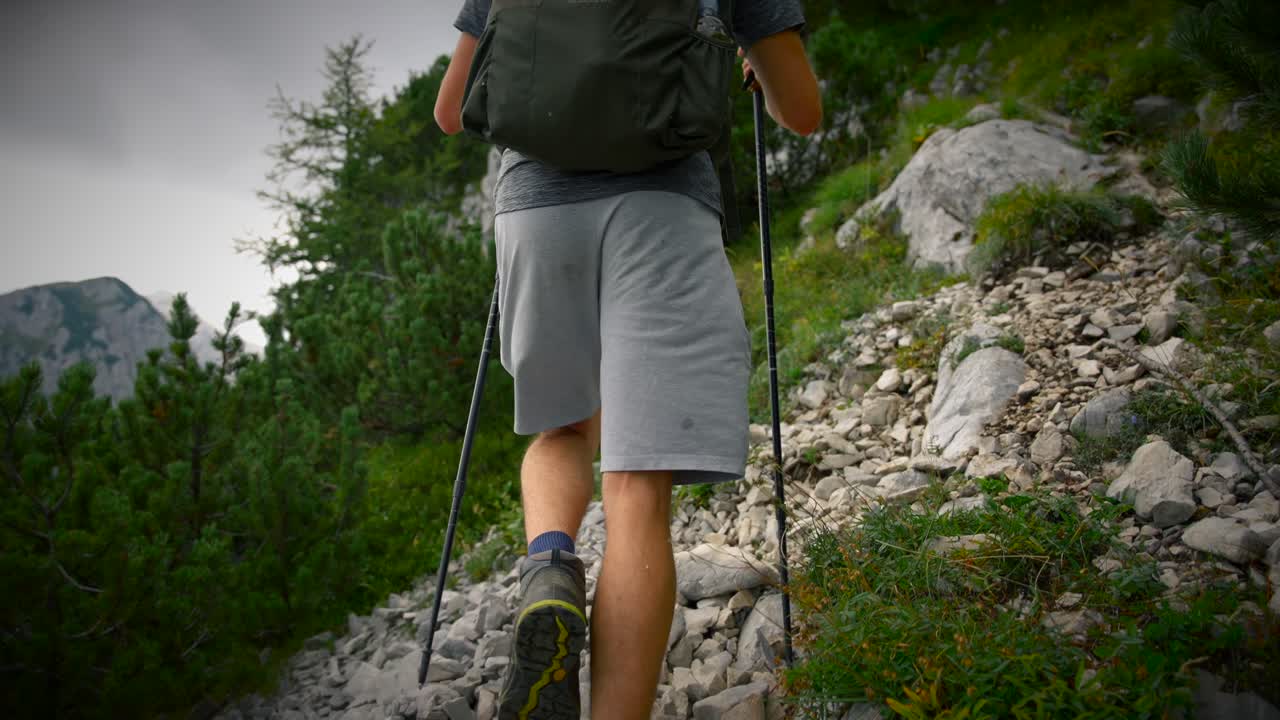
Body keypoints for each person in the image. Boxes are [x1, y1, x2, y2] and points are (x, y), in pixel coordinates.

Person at [434, 2, 820, 718]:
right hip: (664, 207)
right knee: (638, 487)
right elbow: (801, 111)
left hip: (535, 210)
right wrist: (743, 69)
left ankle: (550, 564)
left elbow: (452, 110)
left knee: (561, 430)